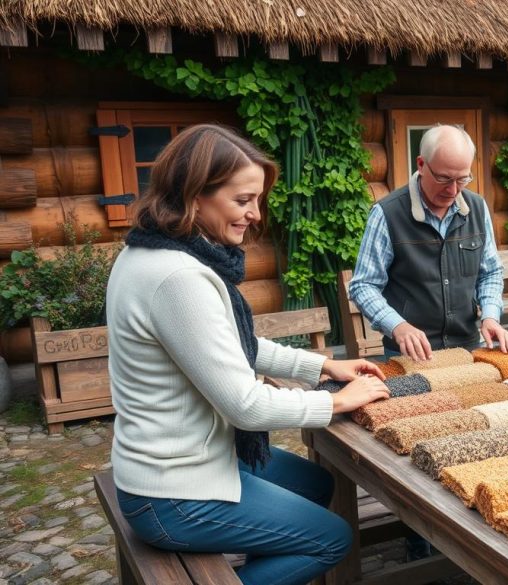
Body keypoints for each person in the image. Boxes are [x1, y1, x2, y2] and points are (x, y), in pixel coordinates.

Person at [106, 124, 390, 585]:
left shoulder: (150, 252)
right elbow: (245, 405)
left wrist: (321, 365)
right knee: (331, 538)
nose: (255, 214)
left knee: (319, 486)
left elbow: (237, 346)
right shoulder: (179, 278)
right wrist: (336, 400)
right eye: (242, 201)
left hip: (177, 463)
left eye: (257, 200)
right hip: (171, 494)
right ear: (195, 195)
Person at [349, 124, 508, 363]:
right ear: (421, 164)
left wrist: (490, 316)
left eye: (462, 179)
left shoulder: (478, 208)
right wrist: (397, 326)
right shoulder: (386, 213)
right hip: (408, 355)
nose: (452, 190)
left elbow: (490, 272)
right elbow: (364, 285)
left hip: (468, 348)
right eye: (443, 178)